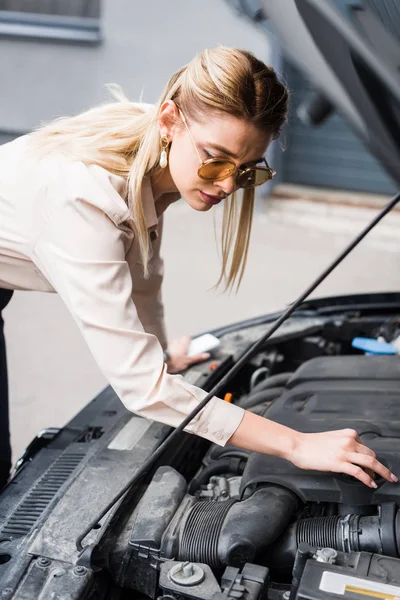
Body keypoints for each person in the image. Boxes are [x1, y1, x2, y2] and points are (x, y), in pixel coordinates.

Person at [0, 46, 396, 491]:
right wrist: (296, 445)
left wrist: (162, 355)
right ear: (169, 120)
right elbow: (142, 390)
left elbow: (142, 275)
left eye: (248, 170)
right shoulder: (83, 201)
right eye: (217, 159)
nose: (228, 185)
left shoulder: (155, 145)